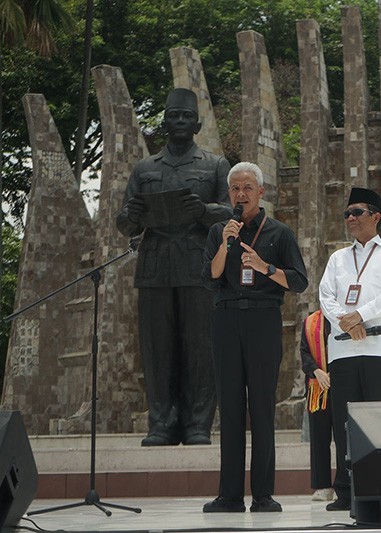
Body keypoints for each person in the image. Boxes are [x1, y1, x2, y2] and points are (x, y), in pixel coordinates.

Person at [116, 88, 231, 447]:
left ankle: (198, 424)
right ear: (164, 123)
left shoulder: (214, 166)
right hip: (154, 269)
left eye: (186, 117)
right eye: (173, 116)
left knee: (200, 348)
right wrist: (131, 217)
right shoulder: (145, 168)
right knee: (157, 349)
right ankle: (162, 424)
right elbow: (123, 222)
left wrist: (203, 211)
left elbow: (231, 214)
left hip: (198, 267)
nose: (180, 122)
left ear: (196, 124)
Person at [200, 162, 308, 513]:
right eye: (235, 188)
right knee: (230, 408)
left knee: (261, 407)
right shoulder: (219, 230)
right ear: (228, 193)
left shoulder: (279, 232)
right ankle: (229, 495)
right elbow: (210, 277)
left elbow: (299, 281)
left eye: (247, 188)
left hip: (263, 319)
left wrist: (266, 268)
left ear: (261, 192)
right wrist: (225, 244)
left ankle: (263, 494)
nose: (240, 194)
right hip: (226, 318)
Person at [318, 187, 381, 511]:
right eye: (347, 214)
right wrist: (346, 321)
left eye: (357, 212)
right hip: (343, 351)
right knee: (344, 423)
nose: (351, 218)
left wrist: (360, 314)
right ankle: (346, 491)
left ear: (376, 216)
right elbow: (325, 296)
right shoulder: (337, 258)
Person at [299, 310, 335, 501]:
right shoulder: (311, 322)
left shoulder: (348, 318)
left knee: (345, 437)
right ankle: (323, 486)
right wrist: (316, 371)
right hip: (317, 386)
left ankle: (345, 485)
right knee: (319, 436)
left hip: (343, 385)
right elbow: (304, 353)